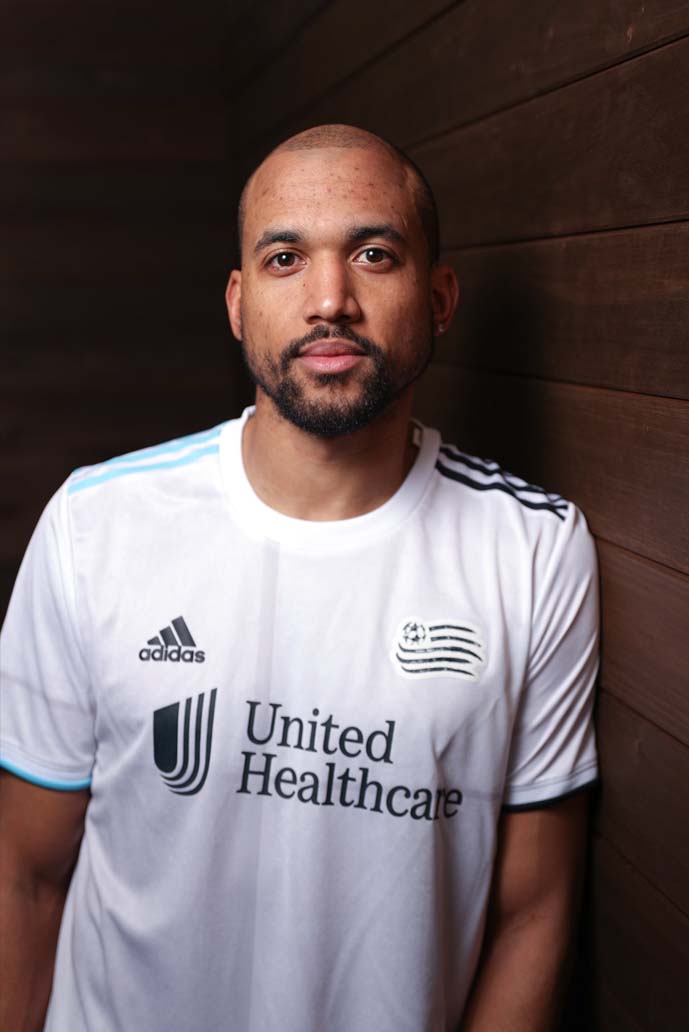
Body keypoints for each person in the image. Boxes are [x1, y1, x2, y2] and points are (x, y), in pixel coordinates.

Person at [0, 124, 599, 1032]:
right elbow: (24, 874)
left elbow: (533, 914)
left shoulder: (533, 549)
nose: (330, 300)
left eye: (373, 254)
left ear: (440, 298)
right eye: (286, 258)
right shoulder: (97, 523)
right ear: (238, 304)